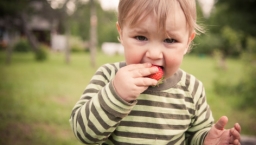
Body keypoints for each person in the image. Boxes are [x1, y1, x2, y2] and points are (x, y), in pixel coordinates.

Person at [69, 0, 241, 144]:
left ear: (188, 42)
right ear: (121, 33)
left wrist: (207, 140)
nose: (154, 54)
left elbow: (193, 136)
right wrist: (116, 94)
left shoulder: (192, 89)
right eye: (141, 37)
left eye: (170, 40)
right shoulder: (108, 76)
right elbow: (84, 133)